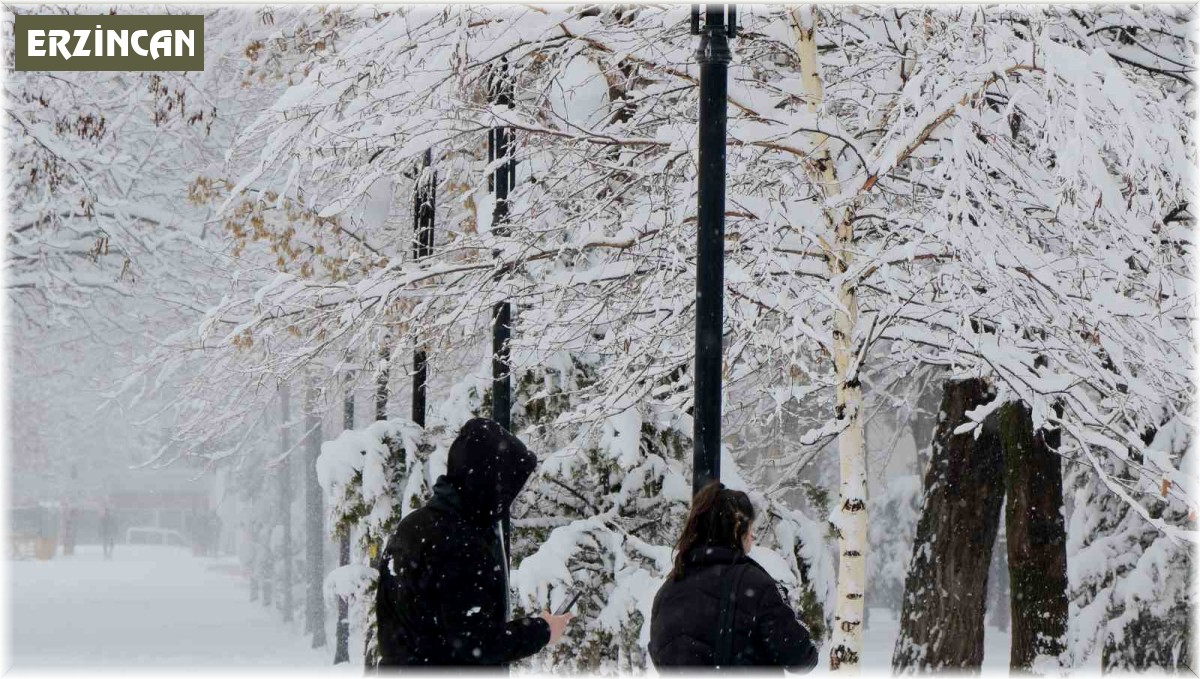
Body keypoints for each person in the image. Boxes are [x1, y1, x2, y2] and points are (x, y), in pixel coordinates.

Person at [375, 418, 573, 668]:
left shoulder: (412, 526)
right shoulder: (461, 544)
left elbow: (392, 622)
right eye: (506, 487)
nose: (507, 500)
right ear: (488, 481)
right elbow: (478, 642)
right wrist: (542, 631)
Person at [649, 481, 819, 671]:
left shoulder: (666, 593)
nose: (752, 537)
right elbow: (801, 658)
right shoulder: (754, 586)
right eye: (750, 529)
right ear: (737, 529)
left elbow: (660, 656)